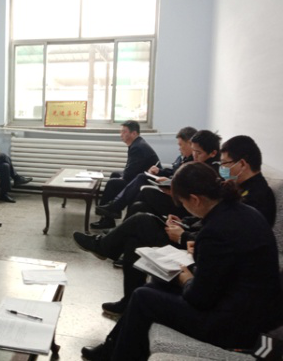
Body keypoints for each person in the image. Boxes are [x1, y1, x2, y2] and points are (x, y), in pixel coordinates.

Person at [81, 162, 283, 361]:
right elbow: (226, 267)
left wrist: (186, 278)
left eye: (183, 203)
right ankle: (111, 349)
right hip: (247, 308)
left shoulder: (216, 230)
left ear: (195, 200)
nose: (184, 208)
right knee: (157, 283)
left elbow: (199, 298)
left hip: (234, 326)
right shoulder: (243, 212)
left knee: (143, 297)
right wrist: (198, 258)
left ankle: (116, 354)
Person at [74, 134, 274, 316]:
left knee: (141, 220)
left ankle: (104, 246)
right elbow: (212, 218)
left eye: (225, 163)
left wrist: (183, 236)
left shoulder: (257, 198)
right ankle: (126, 296)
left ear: (242, 164)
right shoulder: (240, 188)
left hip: (201, 251)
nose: (221, 168)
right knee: (135, 236)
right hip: (195, 239)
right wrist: (184, 222)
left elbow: (225, 237)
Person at [93, 126, 196, 220]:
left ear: (190, 143)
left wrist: (169, 181)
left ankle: (114, 207)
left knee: (137, 180)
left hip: (173, 193)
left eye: (181, 145)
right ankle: (112, 212)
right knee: (117, 176)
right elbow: (173, 171)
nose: (179, 148)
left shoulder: (193, 163)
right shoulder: (183, 157)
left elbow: (184, 183)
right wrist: (159, 171)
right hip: (163, 183)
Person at [91, 120, 160, 230]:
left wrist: (123, 177)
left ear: (134, 133)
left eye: (124, 132)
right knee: (115, 174)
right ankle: (109, 217)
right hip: (140, 176)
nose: (121, 134)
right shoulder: (137, 143)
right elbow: (132, 169)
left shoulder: (137, 147)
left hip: (146, 182)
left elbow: (129, 174)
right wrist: (122, 176)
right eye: (121, 131)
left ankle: (109, 212)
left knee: (112, 183)